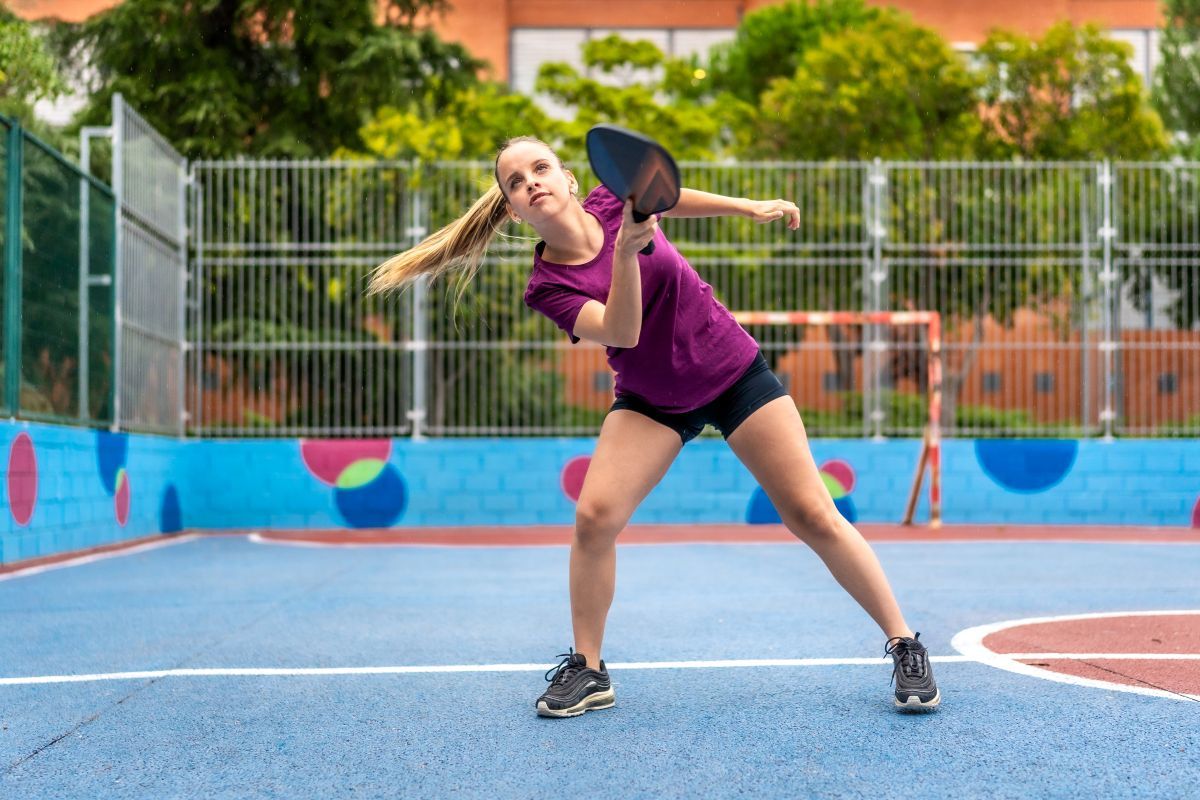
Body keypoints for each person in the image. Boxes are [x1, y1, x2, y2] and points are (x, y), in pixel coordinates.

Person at [369, 136, 940, 718]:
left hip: (731, 371)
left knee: (813, 514)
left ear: (568, 179)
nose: (531, 183)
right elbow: (622, 332)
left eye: (540, 168)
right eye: (515, 183)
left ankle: (905, 645)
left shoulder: (615, 202)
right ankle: (589, 670)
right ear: (514, 209)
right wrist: (623, 257)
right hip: (653, 399)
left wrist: (749, 206)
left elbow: (669, 197)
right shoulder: (547, 286)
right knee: (594, 519)